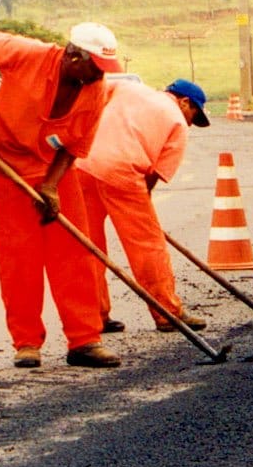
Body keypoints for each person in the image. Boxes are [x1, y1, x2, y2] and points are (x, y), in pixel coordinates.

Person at [0, 23, 124, 368]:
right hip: (5, 166)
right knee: (18, 258)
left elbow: (75, 144)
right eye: (96, 66)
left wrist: (50, 185)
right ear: (73, 55)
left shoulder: (96, 89)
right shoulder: (30, 55)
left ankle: (84, 341)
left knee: (73, 255)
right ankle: (27, 342)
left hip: (55, 172)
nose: (100, 75)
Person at [74, 77, 211, 334]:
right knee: (147, 245)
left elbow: (93, 95)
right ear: (183, 102)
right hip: (122, 171)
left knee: (88, 244)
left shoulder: (126, 88)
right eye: (195, 113)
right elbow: (154, 176)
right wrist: (142, 208)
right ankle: (167, 312)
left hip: (82, 164)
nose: (192, 121)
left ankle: (95, 315)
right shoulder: (177, 123)